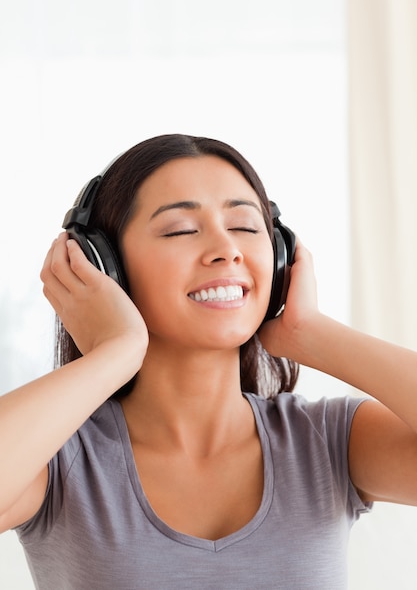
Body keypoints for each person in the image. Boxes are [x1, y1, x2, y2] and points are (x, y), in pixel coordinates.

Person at [0, 134, 416, 590]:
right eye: (180, 229)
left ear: (279, 259)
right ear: (106, 266)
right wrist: (115, 352)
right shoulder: (61, 458)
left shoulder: (327, 442)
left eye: (245, 226)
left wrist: (311, 333)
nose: (227, 249)